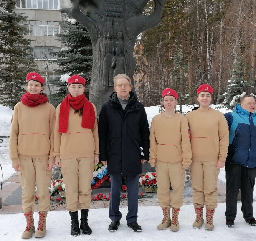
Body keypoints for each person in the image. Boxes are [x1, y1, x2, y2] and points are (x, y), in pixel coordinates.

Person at [98, 74, 150, 232]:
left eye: (125, 85)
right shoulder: (107, 107)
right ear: (115, 88)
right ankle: (114, 218)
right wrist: (103, 155)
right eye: (119, 85)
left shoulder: (138, 107)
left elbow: (144, 133)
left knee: (133, 190)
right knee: (115, 190)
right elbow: (103, 134)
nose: (123, 88)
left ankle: (132, 219)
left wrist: (144, 153)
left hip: (133, 153)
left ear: (130, 87)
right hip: (114, 154)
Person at [9, 72, 55, 239]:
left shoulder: (50, 109)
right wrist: (14, 158)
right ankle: (29, 224)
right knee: (27, 192)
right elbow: (13, 134)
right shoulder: (19, 107)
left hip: (43, 157)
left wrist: (52, 157)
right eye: (31, 84)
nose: (33, 87)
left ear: (42, 88)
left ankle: (42, 222)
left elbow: (53, 135)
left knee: (43, 191)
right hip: (24, 157)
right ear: (27, 86)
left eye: (37, 84)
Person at [53, 75, 99, 236]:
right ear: (68, 88)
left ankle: (84, 222)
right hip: (68, 154)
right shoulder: (61, 107)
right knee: (71, 189)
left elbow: (95, 132)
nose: (76, 89)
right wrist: (57, 154)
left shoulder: (90, 106)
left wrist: (96, 152)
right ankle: (74, 222)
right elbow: (56, 133)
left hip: (86, 153)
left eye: (79, 87)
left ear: (83, 88)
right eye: (73, 86)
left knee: (85, 188)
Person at [186, 84, 229, 231]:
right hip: (195, 159)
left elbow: (224, 138)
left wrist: (222, 157)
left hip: (212, 159)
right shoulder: (190, 116)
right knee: (197, 188)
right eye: (202, 95)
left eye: (208, 95)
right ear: (197, 98)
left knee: (210, 189)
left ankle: (209, 217)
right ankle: (199, 216)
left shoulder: (218, 116)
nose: (205, 98)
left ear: (211, 98)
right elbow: (185, 138)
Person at [149, 88, 192, 232]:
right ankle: (165, 217)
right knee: (162, 189)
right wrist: (152, 157)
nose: (168, 102)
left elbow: (185, 141)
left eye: (171, 100)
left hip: (177, 161)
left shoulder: (181, 119)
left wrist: (186, 159)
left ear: (175, 102)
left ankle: (175, 218)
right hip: (161, 160)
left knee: (178, 188)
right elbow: (152, 141)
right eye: (166, 100)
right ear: (162, 102)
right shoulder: (156, 120)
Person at [224, 95, 256, 227]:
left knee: (248, 189)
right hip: (235, 159)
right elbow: (214, 125)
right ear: (241, 105)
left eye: (254, 103)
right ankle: (230, 216)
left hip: (252, 160)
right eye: (249, 103)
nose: (252, 105)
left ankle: (248, 215)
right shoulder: (231, 117)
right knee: (233, 189)